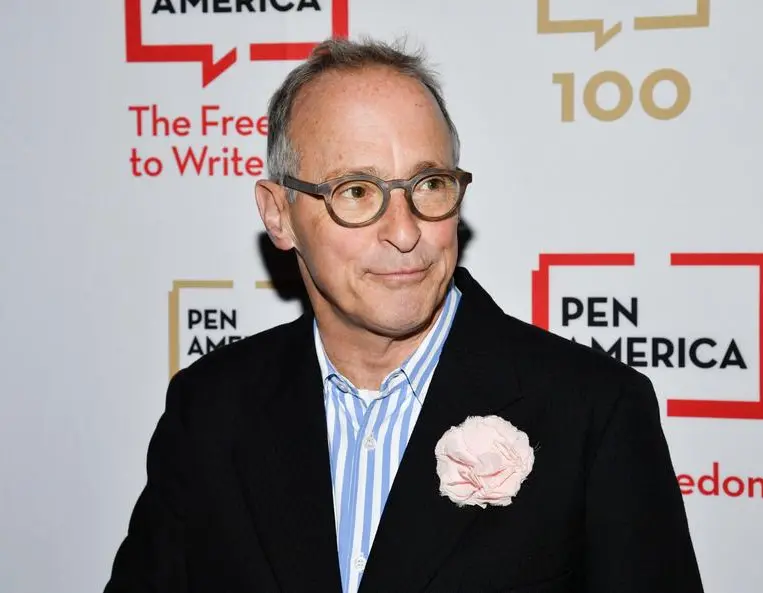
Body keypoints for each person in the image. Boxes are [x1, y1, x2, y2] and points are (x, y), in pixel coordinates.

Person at [105, 37, 705, 593]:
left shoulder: (593, 413)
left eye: (430, 184)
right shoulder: (210, 408)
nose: (405, 231)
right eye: (356, 191)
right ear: (279, 214)